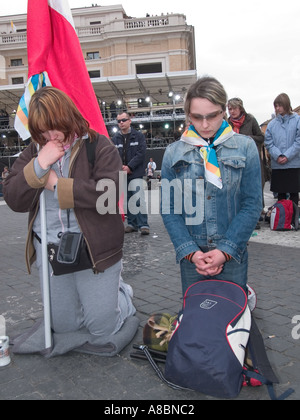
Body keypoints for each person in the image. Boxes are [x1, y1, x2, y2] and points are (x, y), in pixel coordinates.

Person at [3, 87, 138, 356]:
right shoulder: (34, 152)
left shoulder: (98, 145)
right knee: (64, 327)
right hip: (52, 249)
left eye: (56, 129)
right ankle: (90, 301)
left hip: (95, 250)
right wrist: (40, 165)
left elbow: (110, 193)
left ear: (69, 117)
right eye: (43, 132)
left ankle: (122, 294)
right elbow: (14, 199)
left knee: (102, 329)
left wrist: (57, 185)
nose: (51, 137)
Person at [161, 76, 262, 296]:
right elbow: (170, 208)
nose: (205, 125)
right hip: (192, 256)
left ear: (224, 110)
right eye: (197, 117)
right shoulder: (173, 153)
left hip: (233, 251)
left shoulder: (246, 147)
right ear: (188, 114)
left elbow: (252, 204)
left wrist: (225, 251)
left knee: (231, 321)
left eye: (212, 116)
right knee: (196, 322)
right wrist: (190, 252)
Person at [227, 97, 265, 228]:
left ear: (240, 108)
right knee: (237, 190)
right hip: (234, 160)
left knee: (253, 189)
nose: (231, 111)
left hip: (250, 159)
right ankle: (240, 220)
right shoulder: (227, 123)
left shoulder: (250, 120)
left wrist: (249, 138)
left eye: (234, 108)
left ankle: (255, 219)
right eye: (229, 109)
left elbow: (261, 137)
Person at [112, 111, 150, 235]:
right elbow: (113, 155)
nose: (121, 123)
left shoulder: (138, 136)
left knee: (138, 198)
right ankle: (132, 224)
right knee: (128, 200)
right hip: (123, 173)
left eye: (123, 120)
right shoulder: (115, 139)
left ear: (129, 121)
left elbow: (141, 154)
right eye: (119, 121)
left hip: (135, 173)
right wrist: (120, 167)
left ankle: (143, 224)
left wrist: (129, 166)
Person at [265, 93, 300, 209]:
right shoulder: (272, 124)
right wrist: (278, 155)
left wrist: (287, 156)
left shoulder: (297, 120)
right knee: (281, 195)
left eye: (279, 105)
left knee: (294, 194)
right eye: (276, 106)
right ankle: (281, 219)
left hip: (293, 164)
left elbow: (298, 141)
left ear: (286, 105)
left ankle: (294, 219)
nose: (277, 108)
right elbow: (268, 142)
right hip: (278, 165)